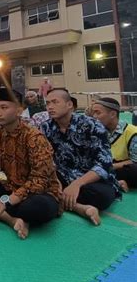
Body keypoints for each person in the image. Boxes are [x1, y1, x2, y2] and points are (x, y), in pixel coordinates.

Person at [0, 88, 61, 240]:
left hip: (39, 193)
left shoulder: (34, 137)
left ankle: (0, 210)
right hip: (10, 187)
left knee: (37, 208)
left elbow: (39, 181)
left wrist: (5, 203)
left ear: (19, 110)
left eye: (4, 107)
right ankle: (12, 220)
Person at [41, 88, 121, 226]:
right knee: (38, 184)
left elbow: (104, 163)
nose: (50, 107)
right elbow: (44, 159)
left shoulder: (92, 125)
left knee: (103, 196)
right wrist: (54, 180)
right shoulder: (45, 127)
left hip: (89, 179)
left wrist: (76, 184)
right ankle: (79, 208)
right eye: (47, 103)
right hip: (60, 177)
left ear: (69, 105)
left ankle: (61, 200)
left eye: (55, 102)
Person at [92, 97, 137, 191]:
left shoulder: (132, 132)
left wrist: (110, 166)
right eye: (93, 113)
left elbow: (134, 161)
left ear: (113, 114)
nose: (94, 116)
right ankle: (115, 182)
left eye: (98, 112)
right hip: (102, 168)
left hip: (120, 168)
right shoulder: (95, 131)